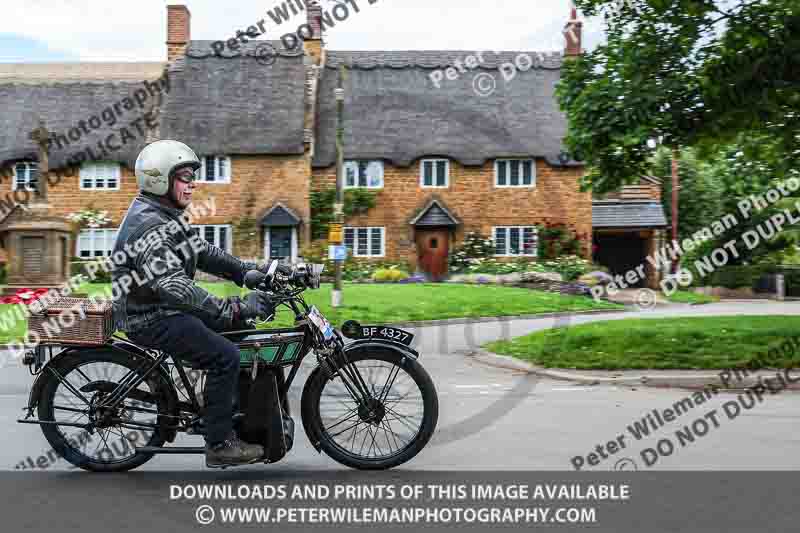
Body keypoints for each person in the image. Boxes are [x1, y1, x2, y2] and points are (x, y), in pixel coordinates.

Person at [112, 139, 274, 468]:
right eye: (185, 177)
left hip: (160, 307)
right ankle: (220, 443)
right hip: (150, 316)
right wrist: (235, 307)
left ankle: (218, 400)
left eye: (191, 177)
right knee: (225, 355)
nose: (193, 184)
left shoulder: (163, 213)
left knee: (237, 331)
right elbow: (175, 286)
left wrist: (245, 272)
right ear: (160, 180)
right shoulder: (151, 226)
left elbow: (200, 251)